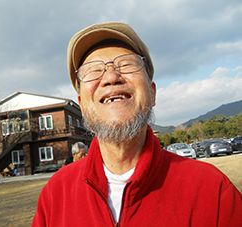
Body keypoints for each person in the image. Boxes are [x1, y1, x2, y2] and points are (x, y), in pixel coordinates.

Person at [32, 22, 242, 226]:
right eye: (93, 70)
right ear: (82, 105)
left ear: (152, 93)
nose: (111, 77)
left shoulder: (212, 190)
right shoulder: (55, 194)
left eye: (126, 64)